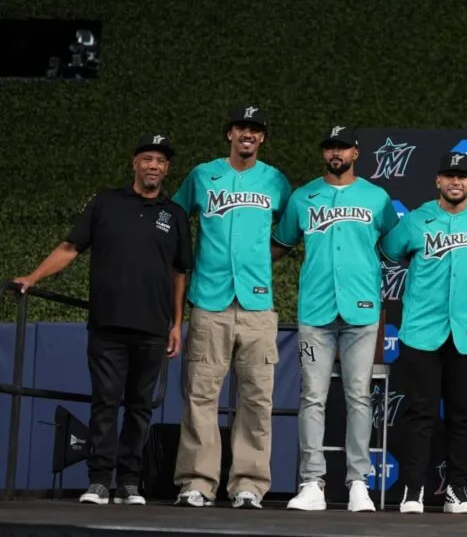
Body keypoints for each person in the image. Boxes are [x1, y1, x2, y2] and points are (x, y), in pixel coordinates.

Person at [14, 134, 191, 506]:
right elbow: (69, 248)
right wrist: (33, 277)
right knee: (105, 403)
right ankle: (98, 482)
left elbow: (179, 273)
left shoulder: (174, 214)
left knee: (141, 408)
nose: (153, 166)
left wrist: (176, 324)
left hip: (154, 330)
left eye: (160, 160)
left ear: (167, 168)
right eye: (147, 158)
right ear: (135, 164)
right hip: (108, 326)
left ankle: (129, 482)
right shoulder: (105, 203)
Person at [379, 151, 467, 514]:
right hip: (421, 331)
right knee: (420, 413)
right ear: (438, 182)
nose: (455, 182)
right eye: (448, 175)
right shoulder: (416, 220)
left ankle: (457, 490)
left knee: (460, 416)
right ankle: (414, 491)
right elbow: (391, 252)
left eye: (462, 176)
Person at [271, 125, 399, 512]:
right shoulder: (303, 196)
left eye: (342, 147)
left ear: (355, 153)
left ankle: (358, 481)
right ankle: (312, 482)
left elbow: (395, 246)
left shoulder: (377, 197)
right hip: (316, 310)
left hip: (361, 310)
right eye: (329, 147)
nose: (335, 153)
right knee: (313, 397)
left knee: (359, 397)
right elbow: (281, 244)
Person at [171, 104, 293, 509]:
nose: (248, 134)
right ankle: (196, 482)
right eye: (242, 127)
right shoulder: (203, 174)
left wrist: (257, 258)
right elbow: (173, 220)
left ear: (262, 139)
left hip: (258, 304)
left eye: (255, 129)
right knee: (201, 396)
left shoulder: (276, 180)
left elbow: (288, 235)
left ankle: (249, 484)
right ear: (229, 134)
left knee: (257, 398)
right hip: (209, 300)